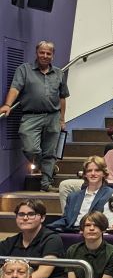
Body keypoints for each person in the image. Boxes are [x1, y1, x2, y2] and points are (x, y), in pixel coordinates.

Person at [0, 41, 68, 191]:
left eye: (48, 53)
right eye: (42, 52)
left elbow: (62, 97)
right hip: (31, 116)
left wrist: (62, 119)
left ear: (53, 55)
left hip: (53, 116)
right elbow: (15, 88)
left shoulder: (59, 73)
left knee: (50, 152)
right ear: (36, 53)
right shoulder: (24, 69)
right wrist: (7, 105)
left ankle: (46, 184)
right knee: (30, 148)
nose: (45, 56)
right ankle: (43, 167)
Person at [49, 156, 113, 232]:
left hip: (95, 232)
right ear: (85, 174)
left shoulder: (112, 194)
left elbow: (110, 220)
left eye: (97, 170)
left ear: (104, 173)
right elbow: (66, 219)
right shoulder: (73, 196)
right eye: (89, 171)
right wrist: (48, 227)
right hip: (73, 232)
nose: (93, 174)